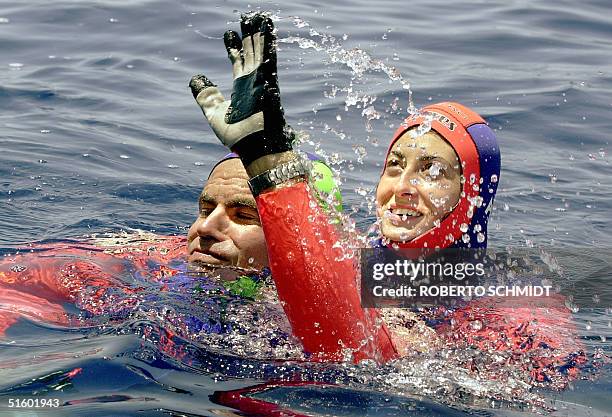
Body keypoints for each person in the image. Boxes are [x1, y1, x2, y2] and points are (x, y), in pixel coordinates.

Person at [188, 12, 582, 377]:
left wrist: (269, 164)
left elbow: (353, 354)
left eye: (432, 171)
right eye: (394, 166)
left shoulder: (516, 302)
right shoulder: (351, 256)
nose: (403, 188)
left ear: (473, 194)